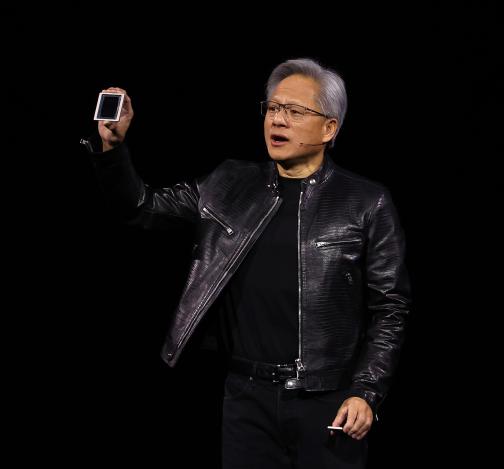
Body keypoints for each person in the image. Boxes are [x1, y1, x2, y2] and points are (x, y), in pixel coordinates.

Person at [86, 58, 411, 469]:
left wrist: (365, 391)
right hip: (247, 399)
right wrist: (113, 148)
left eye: (295, 111)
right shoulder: (230, 183)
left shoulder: (366, 202)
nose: (279, 119)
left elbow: (391, 307)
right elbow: (141, 208)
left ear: (329, 128)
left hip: (328, 403)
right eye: (273, 108)